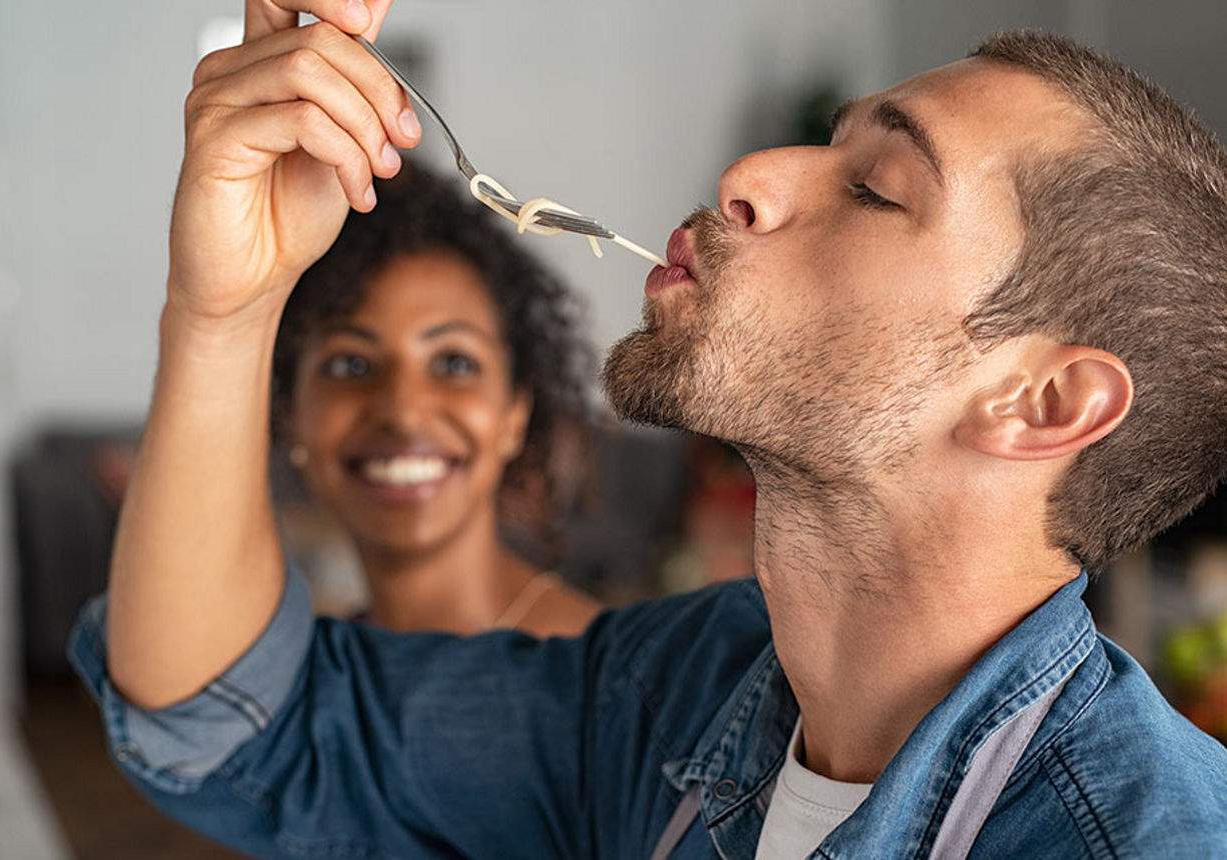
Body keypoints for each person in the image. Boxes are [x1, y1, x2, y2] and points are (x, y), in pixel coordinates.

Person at [70, 1, 1227, 856]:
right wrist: (228, 306)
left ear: (1045, 403)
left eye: (876, 188)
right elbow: (233, 728)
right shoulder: (681, 691)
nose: (750, 175)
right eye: (827, 142)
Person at [271, 163, 602, 637]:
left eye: (454, 364)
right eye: (351, 365)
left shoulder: (604, 681)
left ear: (515, 413)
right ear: (290, 414)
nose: (403, 414)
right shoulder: (303, 670)